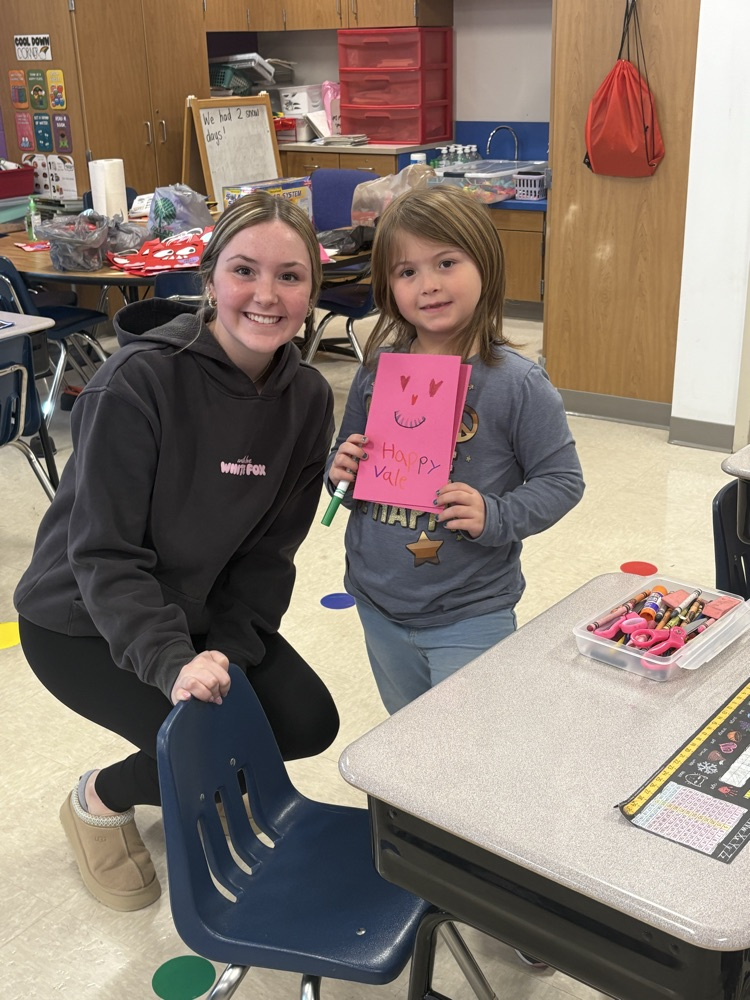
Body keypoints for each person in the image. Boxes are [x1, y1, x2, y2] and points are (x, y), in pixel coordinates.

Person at [14, 192, 339, 912]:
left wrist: (227, 649)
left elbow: (267, 556)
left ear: (312, 291)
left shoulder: (309, 398)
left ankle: (179, 766)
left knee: (305, 723)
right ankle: (97, 800)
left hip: (199, 610)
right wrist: (174, 666)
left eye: (290, 276)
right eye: (244, 270)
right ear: (208, 277)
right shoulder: (138, 382)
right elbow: (104, 555)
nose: (266, 294)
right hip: (83, 621)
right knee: (220, 752)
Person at [327, 184, 585, 716]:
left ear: (484, 264)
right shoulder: (378, 372)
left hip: (470, 610)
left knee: (462, 752)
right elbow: (345, 474)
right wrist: (339, 473)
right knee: (407, 739)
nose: (429, 285)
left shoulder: (517, 384)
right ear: (389, 286)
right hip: (376, 602)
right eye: (407, 272)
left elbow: (562, 481)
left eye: (446, 262)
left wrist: (495, 513)